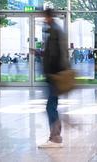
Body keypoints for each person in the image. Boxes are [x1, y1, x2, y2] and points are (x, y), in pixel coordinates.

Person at [37, 8, 69, 148]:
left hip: (53, 74)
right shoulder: (55, 30)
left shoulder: (54, 31)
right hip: (55, 73)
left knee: (51, 106)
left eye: (44, 17)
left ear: (48, 17)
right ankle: (55, 135)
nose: (44, 20)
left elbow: (55, 55)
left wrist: (52, 73)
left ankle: (55, 137)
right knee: (52, 105)